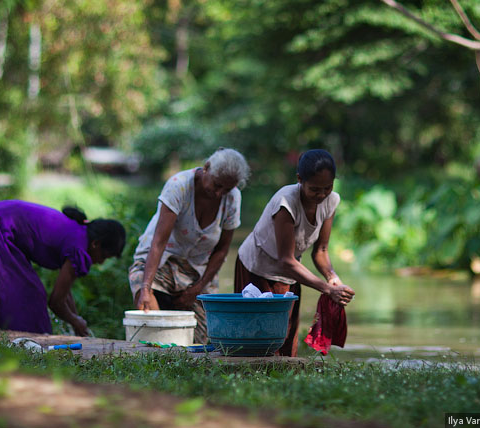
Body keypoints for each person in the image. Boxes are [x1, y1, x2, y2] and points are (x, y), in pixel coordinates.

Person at [235, 149, 355, 356]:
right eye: (315, 189)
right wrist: (327, 290)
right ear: (300, 180)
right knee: (256, 334)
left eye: (327, 187)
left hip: (289, 271)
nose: (321, 195)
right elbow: (286, 261)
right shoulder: (286, 202)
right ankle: (250, 382)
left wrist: (332, 277)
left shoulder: (331, 200)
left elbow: (321, 250)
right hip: (256, 266)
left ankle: (282, 381)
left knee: (286, 334)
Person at [129, 147, 250, 343]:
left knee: (205, 338)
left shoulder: (233, 197)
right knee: (148, 304)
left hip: (197, 270)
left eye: (226, 189)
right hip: (162, 260)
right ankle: (158, 351)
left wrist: (198, 289)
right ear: (207, 168)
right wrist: (145, 287)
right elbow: (158, 243)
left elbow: (221, 251)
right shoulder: (179, 185)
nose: (219, 193)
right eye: (217, 185)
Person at [0, 200, 126, 335]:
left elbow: (64, 291)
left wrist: (76, 321)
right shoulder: (79, 248)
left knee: (19, 289)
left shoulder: (79, 233)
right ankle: (17, 340)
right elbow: (55, 302)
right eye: (104, 257)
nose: (101, 262)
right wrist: (76, 322)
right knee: (28, 295)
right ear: (96, 244)